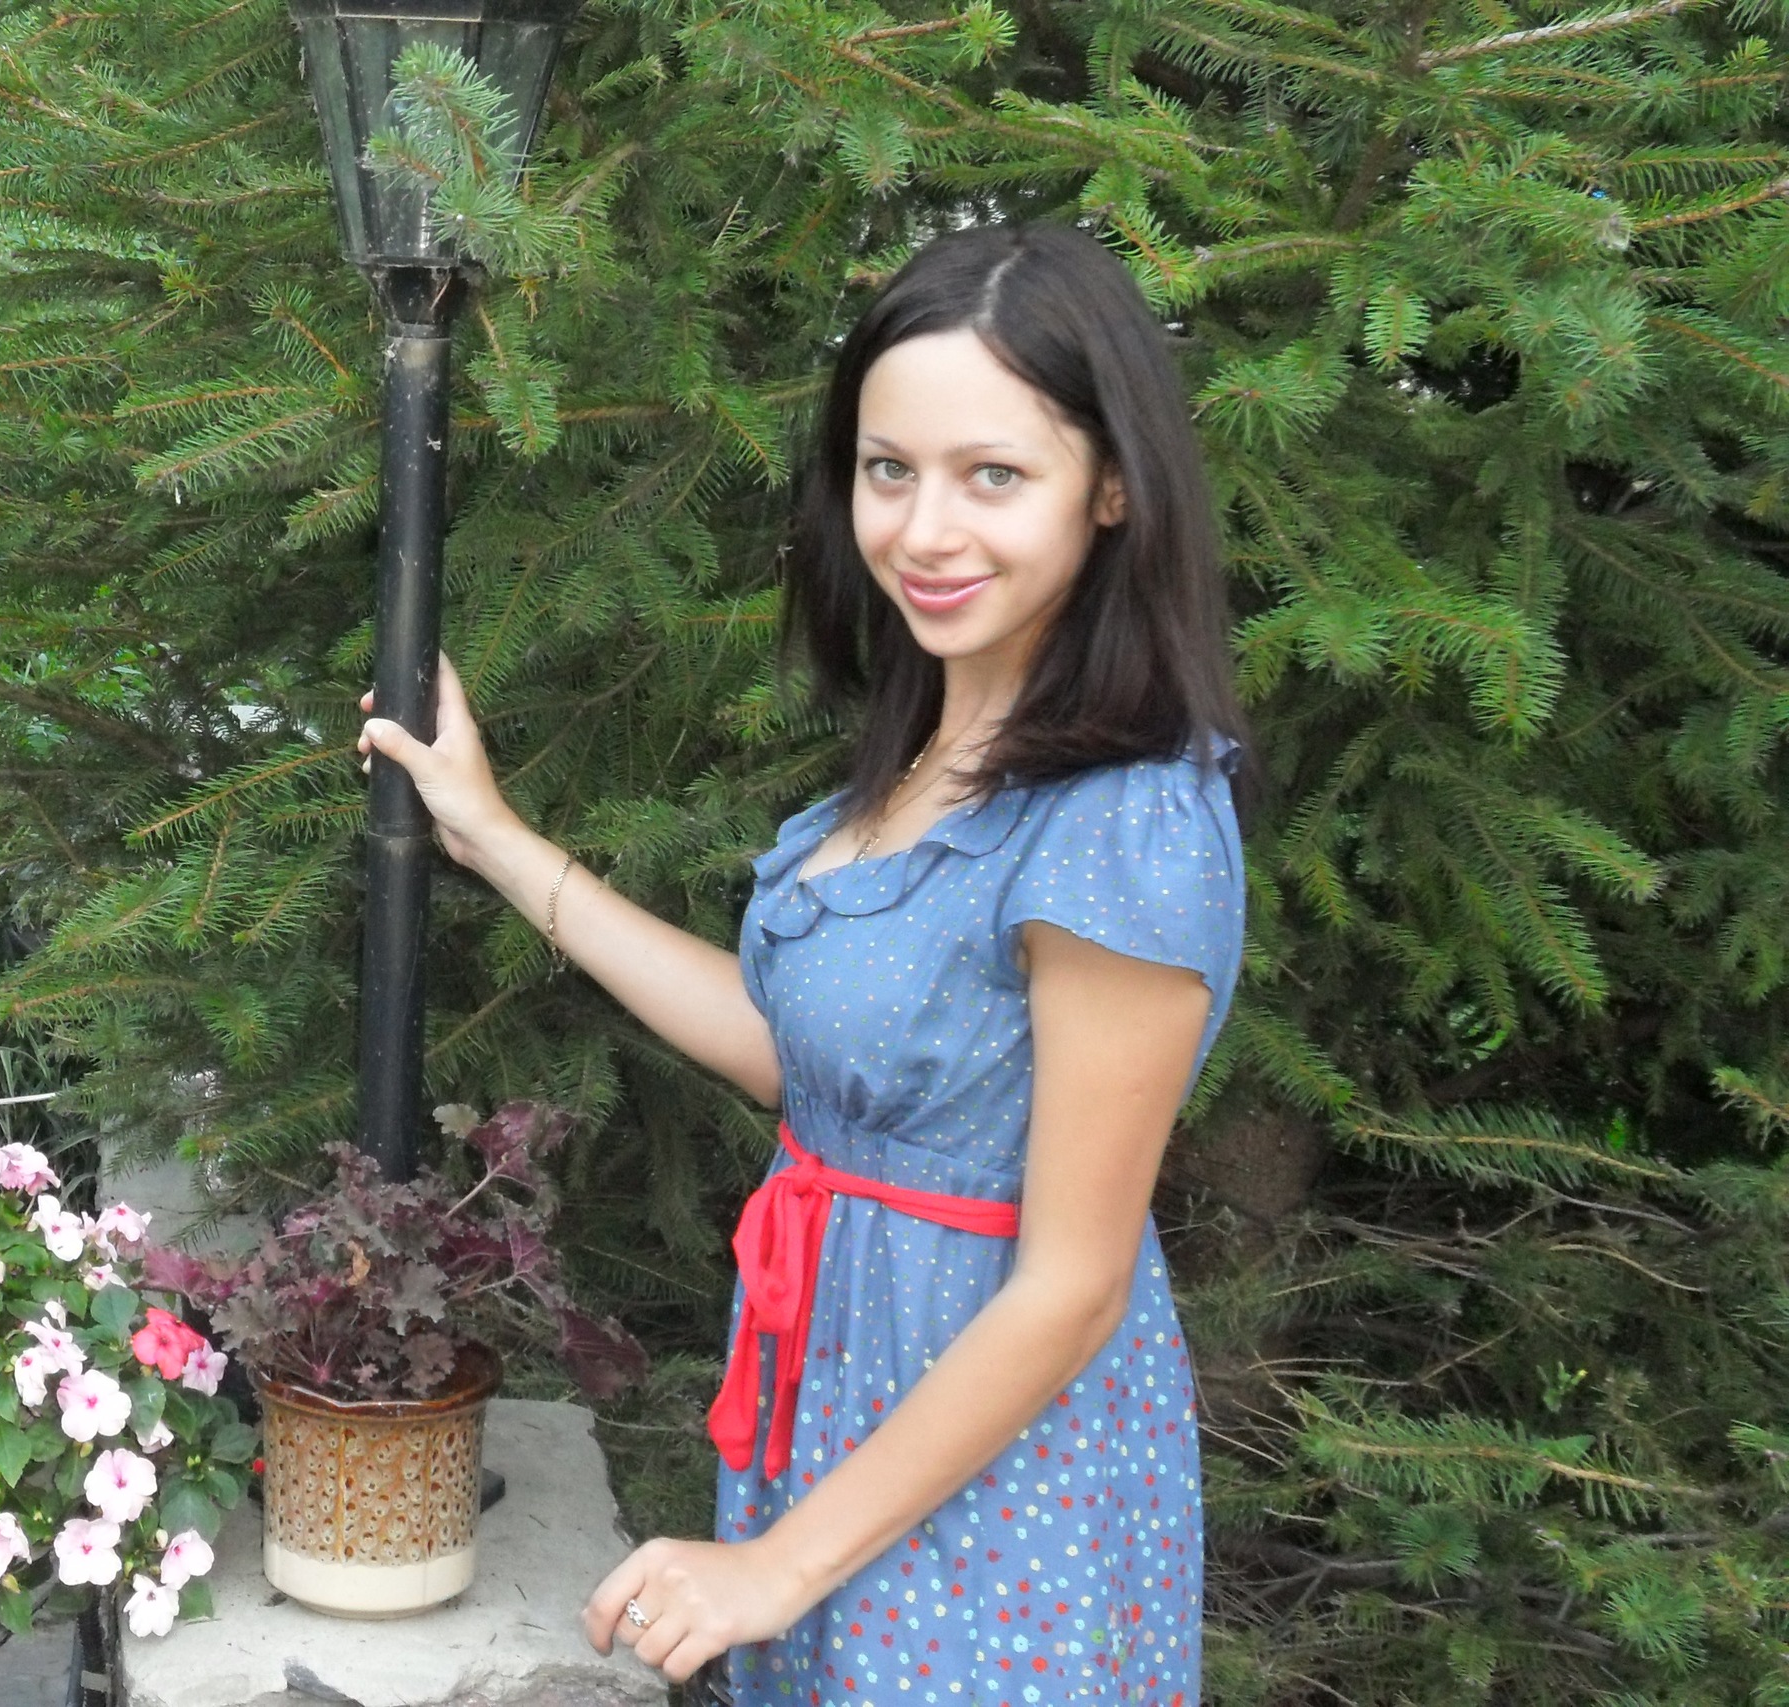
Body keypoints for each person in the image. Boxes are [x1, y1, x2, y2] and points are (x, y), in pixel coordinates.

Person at [356, 221, 1250, 1704]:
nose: (926, 530)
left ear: (1112, 486)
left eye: (994, 475)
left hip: (1000, 1484)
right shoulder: (936, 752)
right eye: (890, 470)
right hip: (838, 1409)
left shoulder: (1125, 822)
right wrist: (497, 839)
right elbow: (809, 1061)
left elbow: (1074, 1285)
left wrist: (776, 1566)